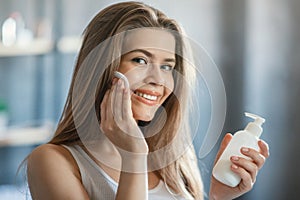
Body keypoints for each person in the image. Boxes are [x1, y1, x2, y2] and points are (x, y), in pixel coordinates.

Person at [26, 1, 269, 200]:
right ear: (101, 68)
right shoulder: (52, 161)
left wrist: (218, 197)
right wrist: (133, 156)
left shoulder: (175, 158)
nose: (158, 80)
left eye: (167, 66)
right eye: (140, 60)